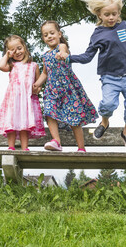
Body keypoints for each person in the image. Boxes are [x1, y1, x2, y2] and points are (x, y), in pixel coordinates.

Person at [57, 0, 126, 150]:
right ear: (99, 15)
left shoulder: (125, 26)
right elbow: (87, 57)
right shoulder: (98, 34)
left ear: (118, 13)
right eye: (107, 15)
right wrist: (68, 57)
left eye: (114, 14)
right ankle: (105, 122)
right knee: (108, 105)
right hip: (110, 78)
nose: (111, 18)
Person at [33, 21, 98, 152]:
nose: (49, 36)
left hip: (67, 88)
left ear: (59, 34)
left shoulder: (62, 46)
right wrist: (36, 84)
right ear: (43, 38)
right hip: (52, 90)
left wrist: (63, 54)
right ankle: (56, 141)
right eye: (46, 35)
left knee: (74, 117)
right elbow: (45, 73)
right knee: (49, 112)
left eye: (52, 33)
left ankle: (81, 148)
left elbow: (63, 50)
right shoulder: (45, 56)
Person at [0, 35, 46, 150]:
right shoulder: (12, 65)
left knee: (25, 124)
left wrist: (36, 89)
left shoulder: (34, 66)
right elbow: (0, 66)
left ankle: (25, 148)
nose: (17, 52)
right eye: (13, 50)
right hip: (14, 100)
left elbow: (38, 85)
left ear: (24, 47)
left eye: (19, 48)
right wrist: (7, 56)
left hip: (27, 100)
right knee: (11, 123)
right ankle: (11, 147)